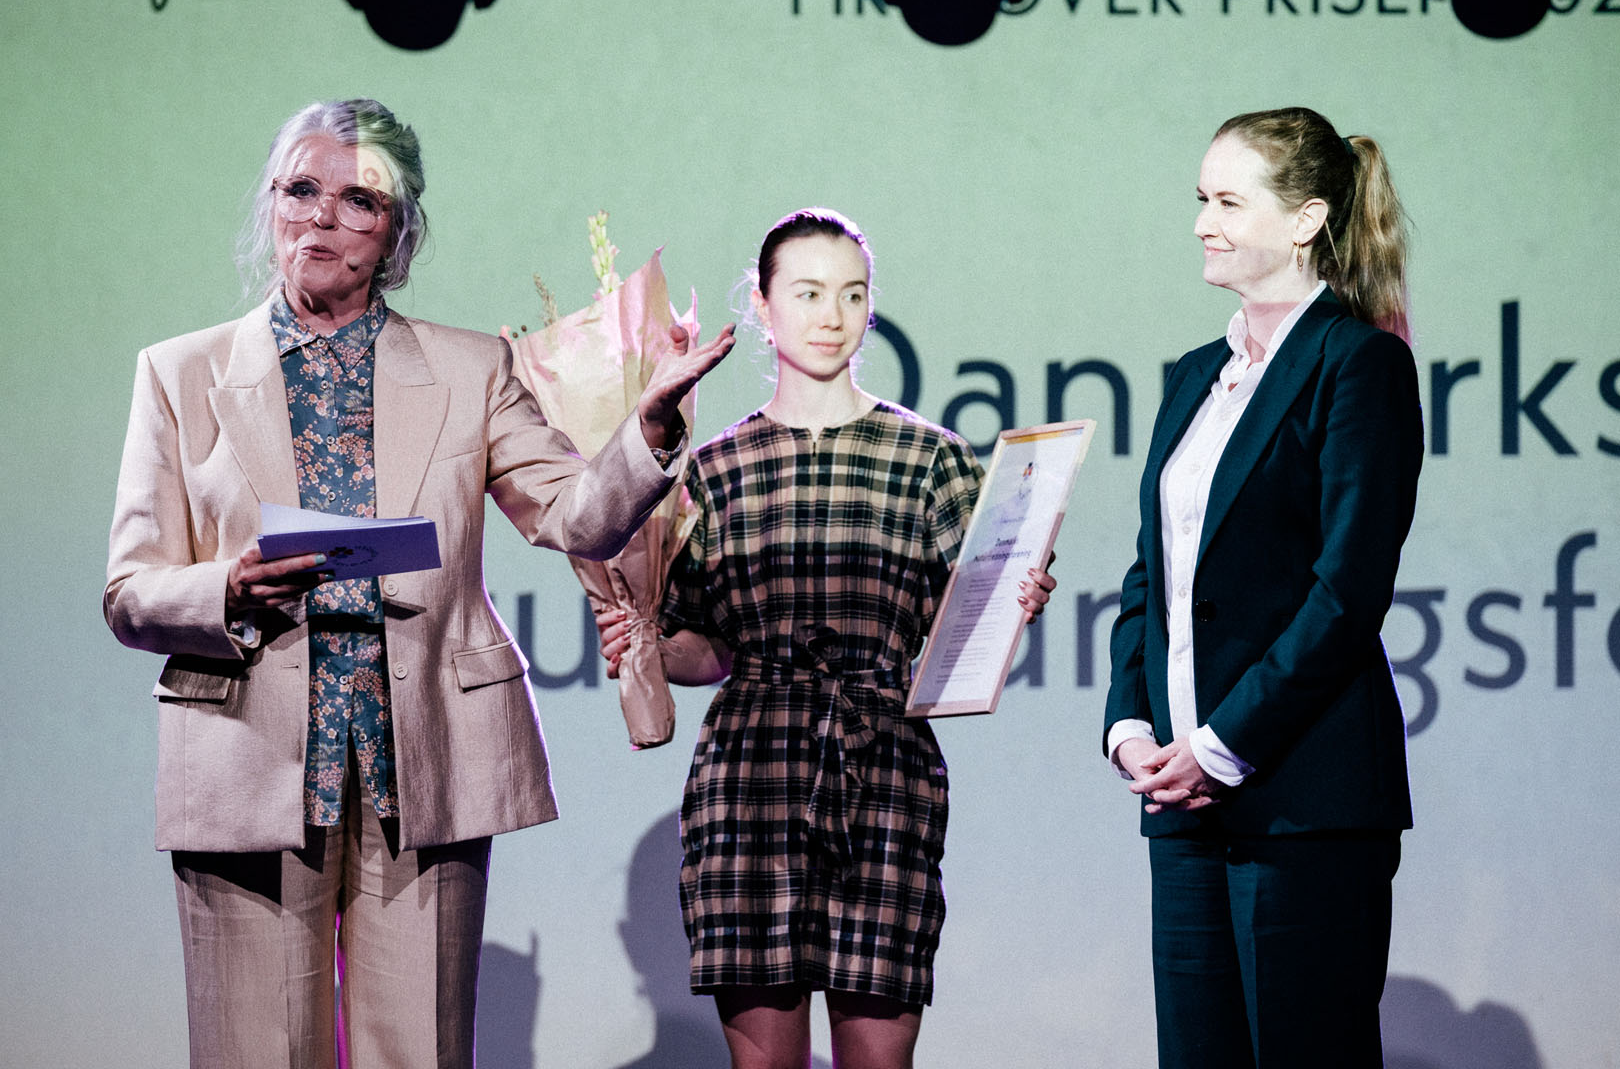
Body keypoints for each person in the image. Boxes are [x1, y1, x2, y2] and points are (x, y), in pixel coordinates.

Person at [103, 97, 734, 1069]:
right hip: (247, 757)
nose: (321, 215)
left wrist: (648, 432)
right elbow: (130, 590)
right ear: (270, 204)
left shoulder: (470, 369)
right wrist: (225, 590)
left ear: (399, 233)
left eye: (358, 200)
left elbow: (577, 515)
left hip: (427, 758)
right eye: (300, 189)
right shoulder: (179, 374)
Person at [598, 208, 1055, 1069]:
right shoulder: (711, 470)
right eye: (807, 294)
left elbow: (971, 641)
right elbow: (707, 649)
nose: (832, 315)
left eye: (851, 294)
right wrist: (645, 647)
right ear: (763, 307)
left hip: (884, 769)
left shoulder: (933, 460)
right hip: (748, 775)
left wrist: (1012, 612)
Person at [1102, 106, 1423, 1068]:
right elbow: (1152, 574)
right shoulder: (1197, 374)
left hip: (1303, 803)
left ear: (1306, 219)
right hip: (1182, 805)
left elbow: (1346, 592)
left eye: (1229, 202)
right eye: (1201, 198)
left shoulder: (1356, 362)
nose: (1203, 222)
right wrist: (1130, 724)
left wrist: (1223, 745)